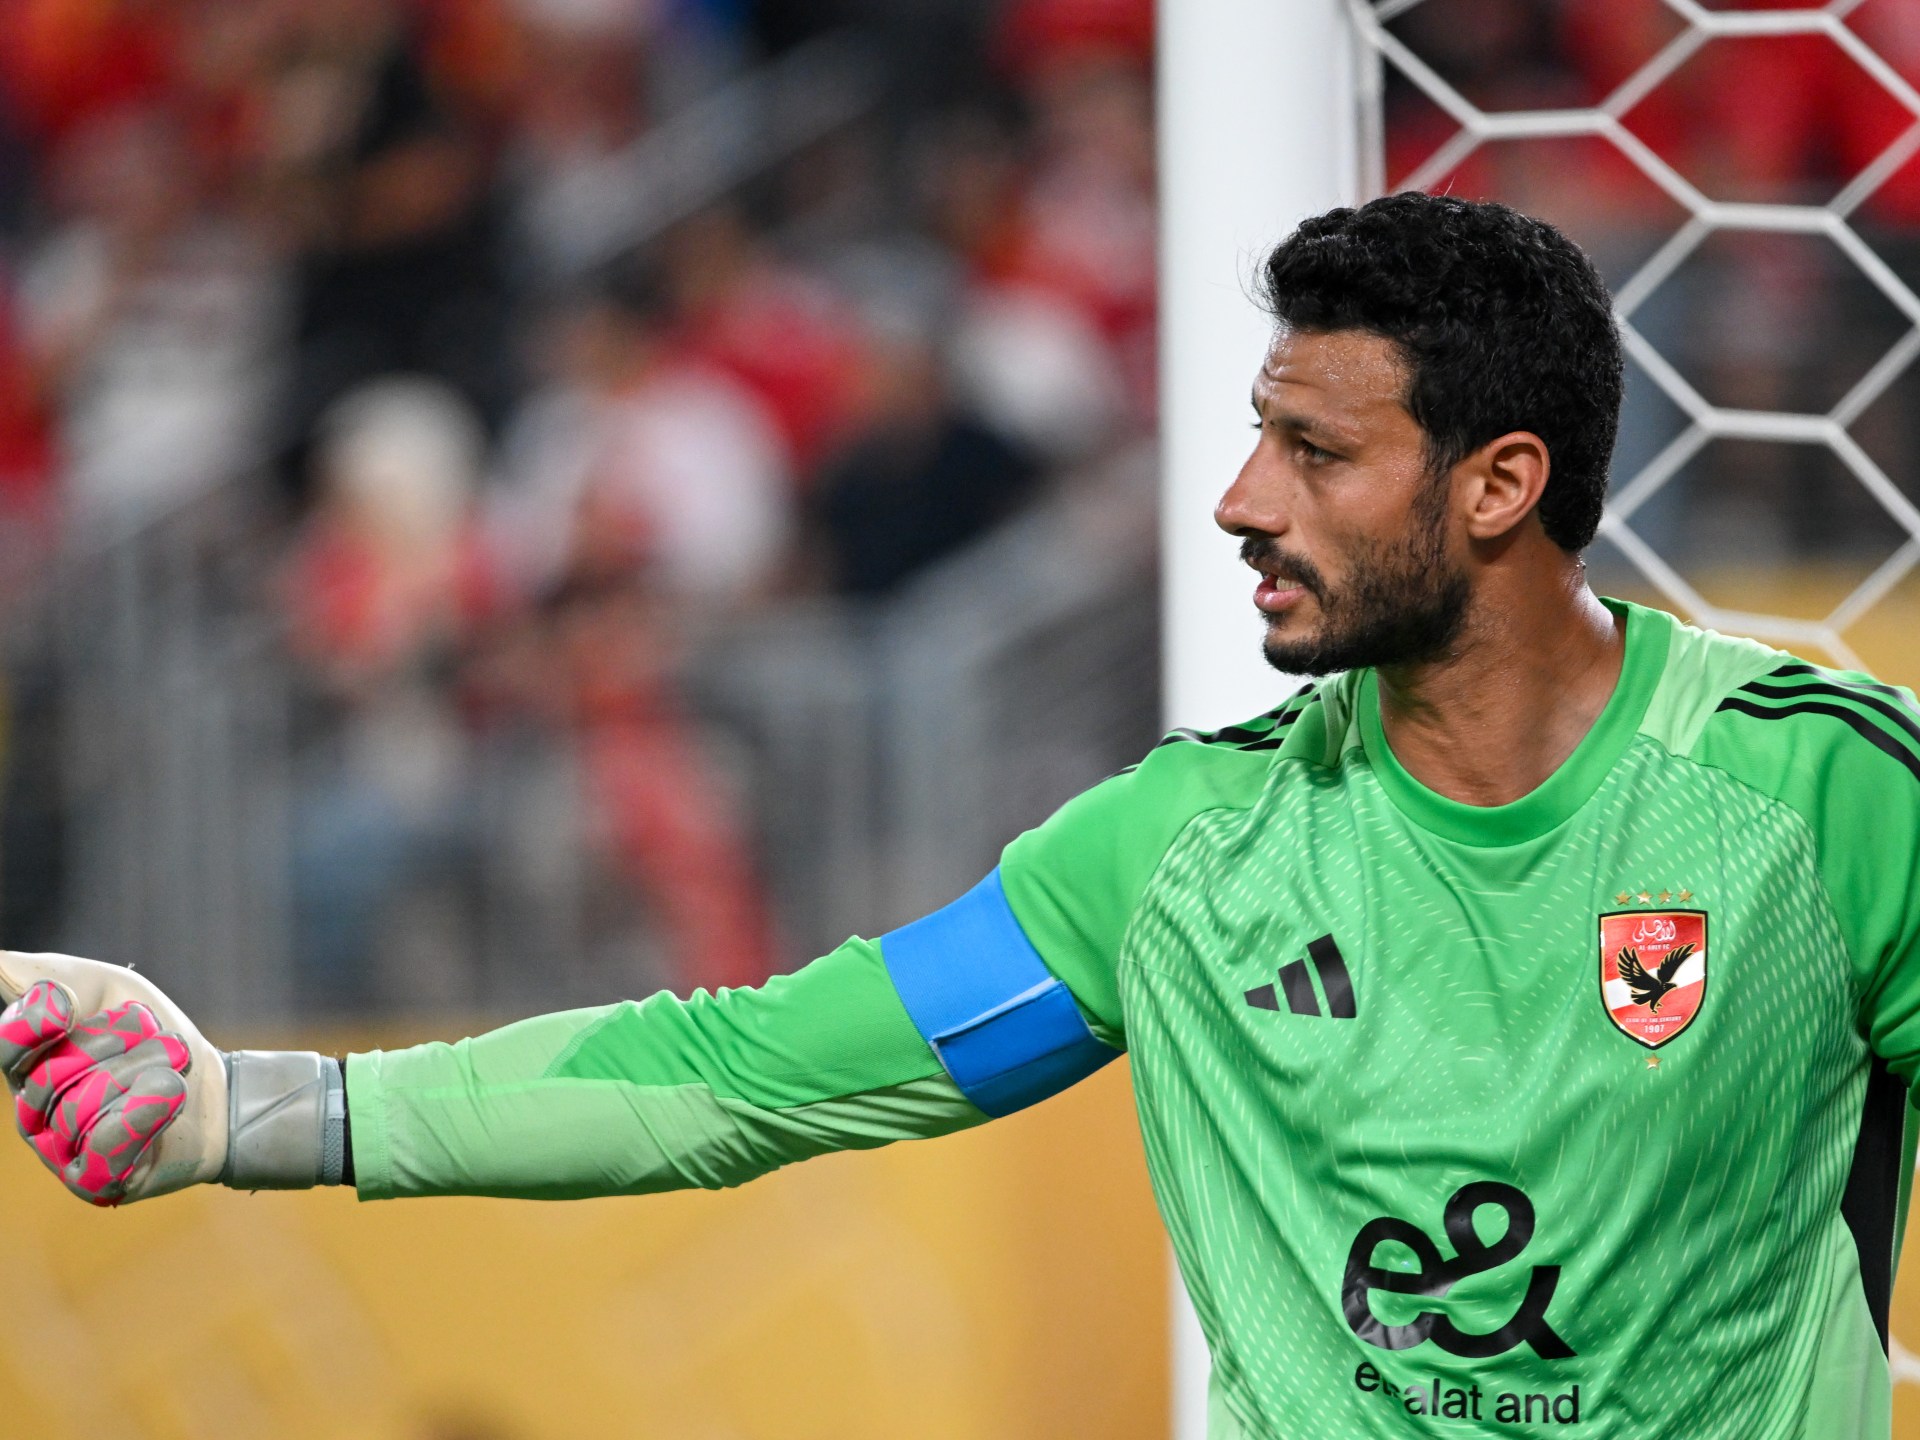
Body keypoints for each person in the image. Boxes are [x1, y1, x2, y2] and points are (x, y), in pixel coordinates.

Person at [3, 193, 1915, 1439]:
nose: (1240, 499)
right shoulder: (1182, 860)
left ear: (1499, 486)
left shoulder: (1817, 796)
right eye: (1255, 436)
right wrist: (248, 1112)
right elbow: (741, 1075)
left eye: (1314, 450)